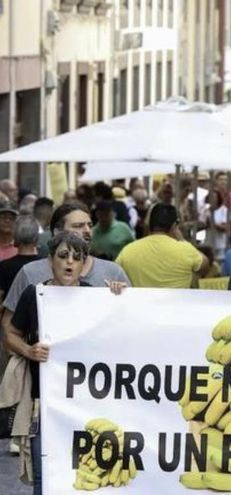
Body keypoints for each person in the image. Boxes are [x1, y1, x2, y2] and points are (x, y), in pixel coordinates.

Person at [2, 231, 125, 495]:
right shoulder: (34, 295)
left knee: (81, 472)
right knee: (43, 473)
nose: (69, 262)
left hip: (85, 402)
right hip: (43, 402)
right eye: (63, 255)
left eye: (77, 257)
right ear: (51, 260)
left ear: (83, 265)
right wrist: (28, 350)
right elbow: (10, 334)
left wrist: (117, 296)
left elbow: (117, 332)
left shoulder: (95, 296)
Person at [2, 203, 130, 342]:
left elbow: (129, 321)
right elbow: (8, 327)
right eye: (78, 226)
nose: (87, 230)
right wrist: (27, 350)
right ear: (57, 232)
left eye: (89, 225)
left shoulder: (113, 272)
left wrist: (122, 296)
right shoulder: (30, 272)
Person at [115, 203, 210, 288]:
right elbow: (205, 267)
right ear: (174, 226)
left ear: (150, 224)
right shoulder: (186, 250)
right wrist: (182, 239)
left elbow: (113, 276)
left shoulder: (128, 250)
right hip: (177, 302)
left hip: (140, 302)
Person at [0, 216, 44, 302]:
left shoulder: (4, 267)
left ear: (15, 237)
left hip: (12, 310)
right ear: (36, 238)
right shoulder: (45, 265)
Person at [201, 189, 229, 262]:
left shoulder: (223, 210)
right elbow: (202, 225)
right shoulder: (206, 210)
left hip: (219, 245)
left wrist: (213, 223)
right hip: (208, 244)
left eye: (214, 197)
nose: (212, 200)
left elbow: (224, 228)